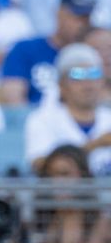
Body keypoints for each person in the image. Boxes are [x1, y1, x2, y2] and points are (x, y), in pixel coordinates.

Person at [1, 0, 95, 106]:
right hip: (35, 120)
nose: (82, 24)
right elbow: (14, 100)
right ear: (59, 14)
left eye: (86, 18)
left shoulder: (92, 54)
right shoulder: (25, 49)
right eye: (76, 17)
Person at [25, 42, 111, 174]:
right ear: (62, 85)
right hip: (62, 194)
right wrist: (95, 145)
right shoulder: (43, 119)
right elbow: (39, 164)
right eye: (77, 76)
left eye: (94, 74)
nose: (88, 84)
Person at [33, 145, 111, 243]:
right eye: (51, 176)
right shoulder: (36, 222)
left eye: (64, 174)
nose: (57, 182)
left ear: (83, 176)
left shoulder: (104, 224)